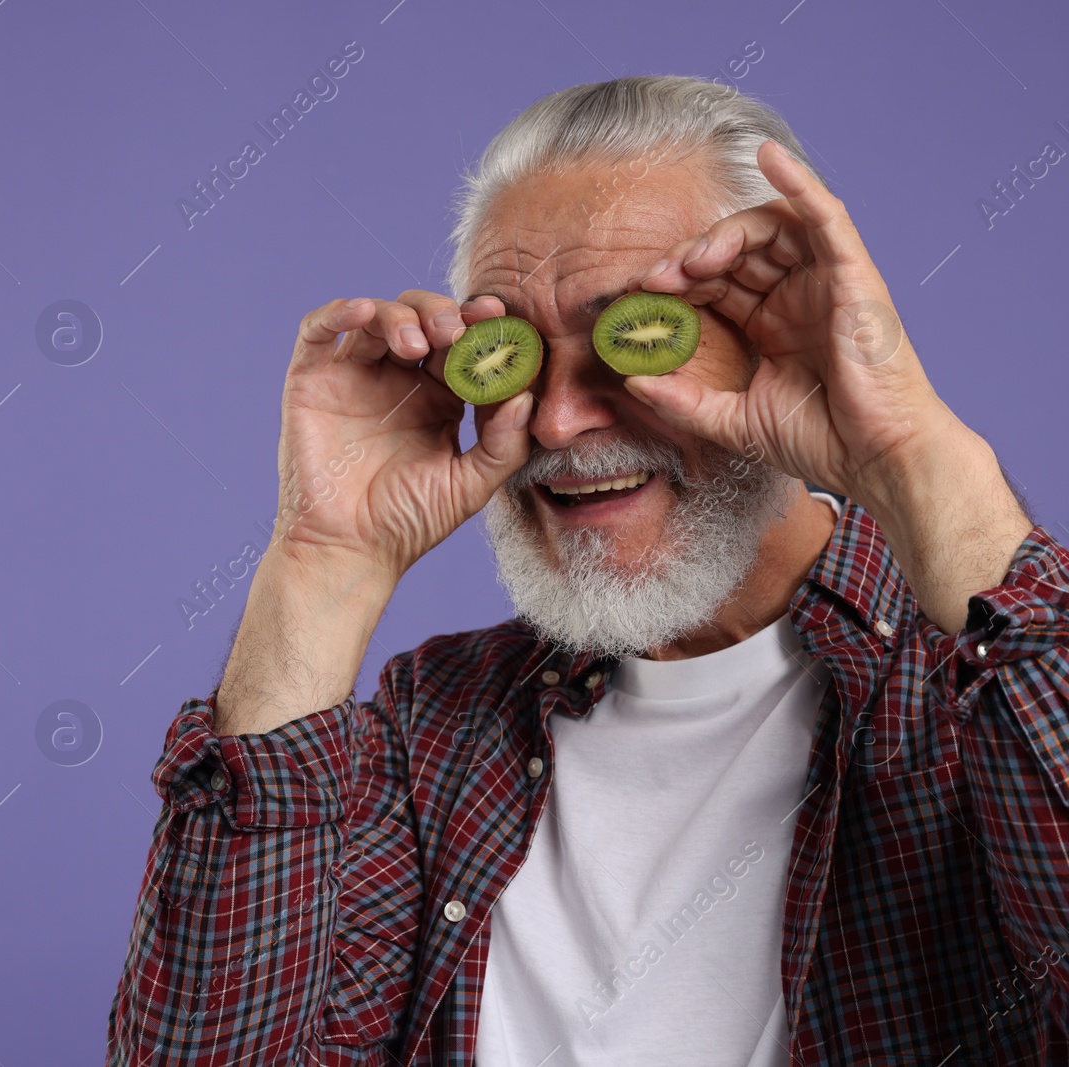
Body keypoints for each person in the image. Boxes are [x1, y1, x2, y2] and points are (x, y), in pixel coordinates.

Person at [106, 75, 1069, 1065]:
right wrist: (319, 562)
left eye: (630, 336)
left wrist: (914, 454)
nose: (560, 420)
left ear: (786, 335)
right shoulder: (433, 730)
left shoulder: (973, 704)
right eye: (514, 352)